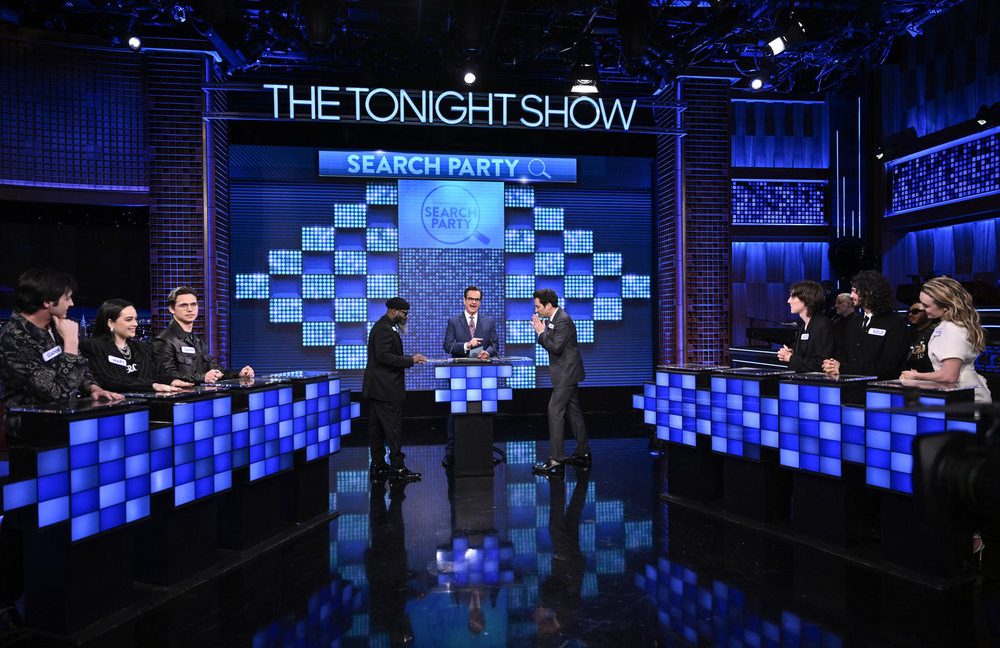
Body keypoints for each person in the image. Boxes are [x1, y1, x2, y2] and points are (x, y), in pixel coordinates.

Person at [0, 268, 123, 630]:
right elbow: (53, 391)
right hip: (29, 437)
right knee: (26, 521)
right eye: (66, 297)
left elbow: (75, 378)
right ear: (46, 301)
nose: (71, 303)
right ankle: (9, 599)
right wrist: (71, 345)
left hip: (63, 430)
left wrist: (93, 388)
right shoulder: (13, 337)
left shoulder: (54, 329)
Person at [363, 297, 427, 482]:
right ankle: (398, 468)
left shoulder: (384, 326)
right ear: (393, 310)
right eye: (404, 313)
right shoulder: (384, 328)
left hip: (378, 388)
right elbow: (383, 356)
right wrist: (410, 360)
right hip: (386, 389)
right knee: (393, 428)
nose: (406, 317)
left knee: (377, 429)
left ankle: (378, 466)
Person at [900, 276, 992, 403]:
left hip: (967, 397)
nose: (923, 310)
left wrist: (916, 376)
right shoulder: (946, 325)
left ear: (945, 306)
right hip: (958, 394)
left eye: (926, 306)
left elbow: (949, 376)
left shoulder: (954, 328)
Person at [530, 288, 589, 475]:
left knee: (554, 411)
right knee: (573, 412)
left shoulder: (562, 319)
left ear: (548, 305)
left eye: (538, 307)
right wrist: (543, 332)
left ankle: (556, 460)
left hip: (566, 373)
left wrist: (540, 333)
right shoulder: (553, 319)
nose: (536, 310)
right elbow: (554, 344)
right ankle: (583, 453)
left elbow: (555, 347)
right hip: (565, 373)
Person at [441, 286, 500, 467]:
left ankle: (484, 451)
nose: (473, 302)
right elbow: (447, 346)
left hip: (482, 375)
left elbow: (495, 345)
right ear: (464, 300)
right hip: (459, 375)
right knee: (456, 412)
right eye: (470, 299)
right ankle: (451, 453)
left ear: (480, 302)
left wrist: (488, 353)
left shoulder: (488, 321)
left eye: (477, 299)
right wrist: (467, 345)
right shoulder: (454, 321)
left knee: (483, 413)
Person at [81, 299, 193, 393]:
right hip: (115, 405)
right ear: (111, 323)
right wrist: (152, 385)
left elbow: (156, 373)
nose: (135, 324)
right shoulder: (93, 346)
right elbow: (108, 380)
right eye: (129, 320)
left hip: (146, 404)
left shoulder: (142, 347)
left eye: (136, 319)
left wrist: (171, 381)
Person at [152, 286, 253, 384]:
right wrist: (203, 377)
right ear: (171, 309)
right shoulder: (163, 340)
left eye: (193, 304)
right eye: (183, 305)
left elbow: (215, 370)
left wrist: (238, 374)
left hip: (198, 393)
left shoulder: (198, 341)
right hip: (179, 394)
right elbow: (167, 376)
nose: (190, 309)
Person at [534, 469, 589, 642]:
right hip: (568, 558)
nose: (539, 626)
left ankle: (583, 473)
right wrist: (544, 605)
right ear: (547, 633)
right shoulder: (566, 617)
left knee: (573, 513)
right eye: (540, 630)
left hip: (568, 558)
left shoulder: (561, 617)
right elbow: (557, 589)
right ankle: (556, 476)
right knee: (555, 524)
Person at [821, 271, 909, 379]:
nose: (851, 295)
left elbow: (888, 367)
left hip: (878, 387)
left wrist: (843, 368)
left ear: (869, 292)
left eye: (854, 291)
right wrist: (832, 365)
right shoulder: (854, 322)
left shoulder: (894, 324)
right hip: (850, 385)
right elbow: (845, 356)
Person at [776, 280, 835, 373]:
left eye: (793, 297)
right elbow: (806, 356)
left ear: (806, 299)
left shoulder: (822, 324)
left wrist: (791, 358)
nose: (788, 301)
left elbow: (821, 364)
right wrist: (791, 354)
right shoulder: (804, 325)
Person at [903, 301, 939, 374]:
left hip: (928, 375)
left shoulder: (937, 332)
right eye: (909, 312)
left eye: (915, 311)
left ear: (927, 312)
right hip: (909, 374)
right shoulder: (907, 332)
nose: (910, 314)